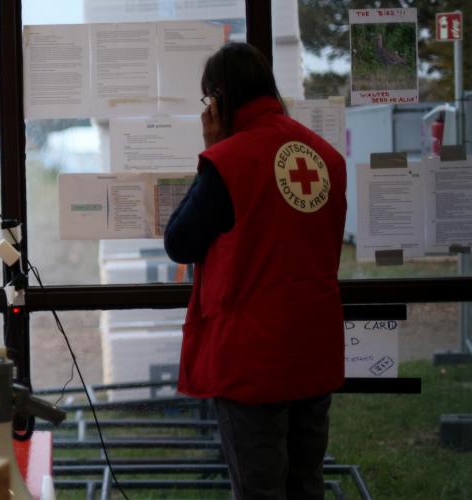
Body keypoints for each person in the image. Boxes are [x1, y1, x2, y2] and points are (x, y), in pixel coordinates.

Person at [164, 43, 347, 500]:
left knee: (259, 489)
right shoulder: (326, 157)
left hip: (255, 358)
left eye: (208, 101)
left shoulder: (231, 160)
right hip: (314, 348)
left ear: (221, 98)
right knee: (307, 482)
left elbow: (179, 241)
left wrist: (216, 150)